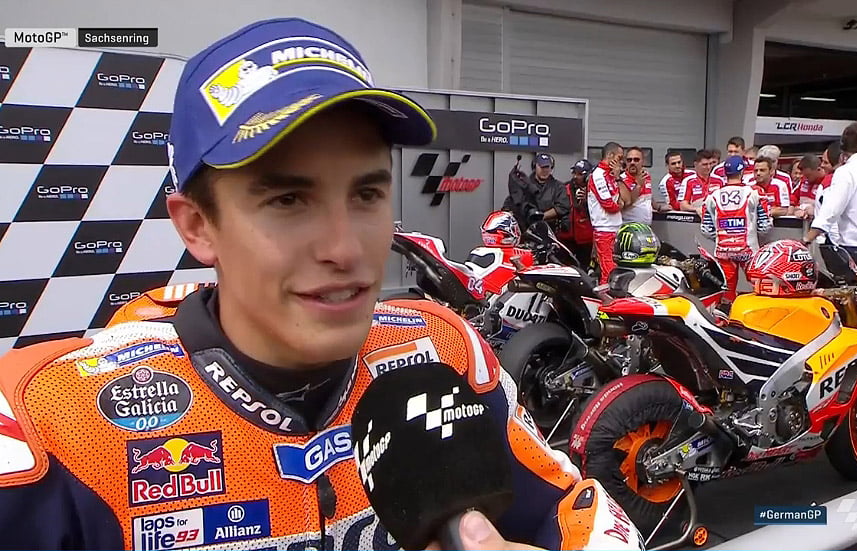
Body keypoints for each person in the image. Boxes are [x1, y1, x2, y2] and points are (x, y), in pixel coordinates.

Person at [0, 18, 642, 551]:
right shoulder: (50, 417)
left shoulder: (442, 350)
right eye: (287, 200)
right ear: (197, 226)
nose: (345, 248)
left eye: (366, 194)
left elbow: (576, 512)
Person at [806, 120, 857, 284]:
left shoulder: (846, 172)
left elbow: (831, 210)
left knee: (851, 295)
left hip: (854, 249)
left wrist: (807, 238)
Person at [701, 156, 772, 302]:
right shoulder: (755, 192)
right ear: (742, 172)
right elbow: (765, 226)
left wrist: (722, 236)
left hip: (724, 251)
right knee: (759, 286)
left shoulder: (712, 196)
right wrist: (753, 234)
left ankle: (726, 313)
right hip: (748, 250)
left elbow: (706, 229)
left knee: (726, 290)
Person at [588, 141, 631, 284]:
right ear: (610, 155)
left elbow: (626, 200)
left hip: (616, 227)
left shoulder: (612, 175)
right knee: (609, 271)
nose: (621, 161)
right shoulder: (598, 175)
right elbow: (609, 205)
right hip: (604, 229)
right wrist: (619, 205)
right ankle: (605, 297)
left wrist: (617, 177)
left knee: (616, 269)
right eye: (619, 158)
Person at [502, 152, 570, 234]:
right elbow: (509, 205)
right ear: (535, 167)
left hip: (549, 233)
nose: (545, 170)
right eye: (542, 167)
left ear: (551, 168)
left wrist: (540, 216)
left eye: (547, 167)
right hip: (525, 232)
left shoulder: (559, 187)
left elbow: (562, 207)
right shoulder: (524, 184)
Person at [556, 159, 594, 268]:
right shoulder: (564, 188)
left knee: (583, 268)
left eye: (580, 174)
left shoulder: (594, 190)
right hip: (566, 237)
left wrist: (588, 199)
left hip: (586, 240)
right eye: (574, 173)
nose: (576, 176)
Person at [620, 146, 653, 225]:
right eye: (629, 160)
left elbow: (648, 196)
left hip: (645, 226)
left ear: (643, 161)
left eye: (636, 160)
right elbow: (625, 204)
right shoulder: (621, 180)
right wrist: (638, 185)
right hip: (629, 225)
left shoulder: (646, 175)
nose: (632, 162)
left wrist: (658, 206)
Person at [792, 154, 825, 219]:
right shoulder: (804, 180)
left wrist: (814, 210)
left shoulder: (827, 183)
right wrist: (792, 206)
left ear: (818, 169)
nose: (805, 178)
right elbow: (795, 196)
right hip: (803, 218)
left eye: (808, 175)